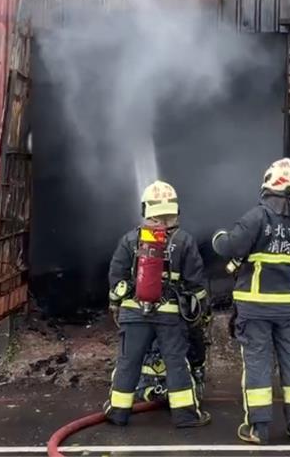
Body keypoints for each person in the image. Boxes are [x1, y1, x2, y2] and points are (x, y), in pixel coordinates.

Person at [212, 158, 290, 445]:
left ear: (269, 182)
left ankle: (258, 428)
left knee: (257, 362)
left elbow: (230, 246)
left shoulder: (257, 216)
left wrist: (218, 237)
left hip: (254, 306)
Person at [104, 180, 211, 428]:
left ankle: (118, 412)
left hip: (133, 314)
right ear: (175, 210)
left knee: (128, 363)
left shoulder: (130, 239)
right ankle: (185, 416)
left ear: (146, 209)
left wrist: (116, 306)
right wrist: (200, 314)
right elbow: (196, 285)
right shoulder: (184, 241)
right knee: (176, 363)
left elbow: (116, 278)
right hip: (170, 316)